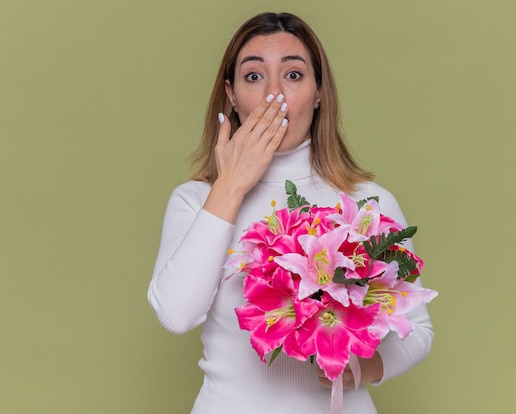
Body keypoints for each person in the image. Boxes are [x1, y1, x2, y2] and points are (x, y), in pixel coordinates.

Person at [148, 12, 433, 413]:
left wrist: (367, 368)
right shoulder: (196, 201)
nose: (273, 95)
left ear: (319, 93)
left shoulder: (367, 202)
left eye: (294, 75)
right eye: (253, 76)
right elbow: (177, 314)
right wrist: (231, 185)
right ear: (230, 95)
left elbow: (418, 329)